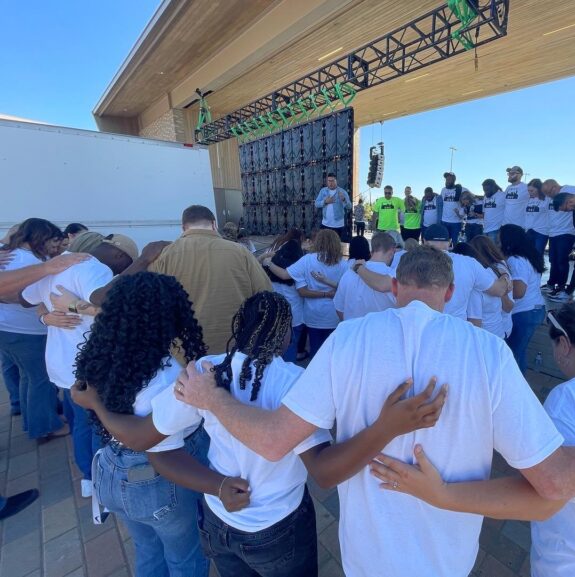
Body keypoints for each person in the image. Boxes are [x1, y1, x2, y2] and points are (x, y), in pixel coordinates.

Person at [175, 245, 575, 577]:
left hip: (367, 552)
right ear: (450, 292)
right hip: (446, 554)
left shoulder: (348, 340)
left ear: (395, 288)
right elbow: (553, 479)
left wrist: (212, 398)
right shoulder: (487, 351)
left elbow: (274, 441)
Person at [73, 291, 445, 577]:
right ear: (284, 337)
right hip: (277, 525)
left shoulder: (205, 370)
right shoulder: (296, 383)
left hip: (219, 518)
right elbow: (324, 472)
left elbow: (153, 444)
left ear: (240, 327)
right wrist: (384, 428)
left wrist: (215, 486)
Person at [73, 272, 209, 577]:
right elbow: (141, 438)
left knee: (147, 550)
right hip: (156, 481)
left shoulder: (107, 357)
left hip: (113, 471)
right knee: (185, 558)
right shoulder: (164, 377)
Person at [21, 230, 140, 497]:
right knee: (98, 423)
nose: (123, 270)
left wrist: (45, 316)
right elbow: (114, 310)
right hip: (89, 364)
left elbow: (26, 298)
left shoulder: (58, 263)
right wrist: (72, 306)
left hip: (62, 364)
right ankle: (101, 479)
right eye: (126, 263)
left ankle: (88, 477)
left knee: (80, 423)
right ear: (117, 255)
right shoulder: (93, 269)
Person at [146, 205, 272, 355]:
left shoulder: (164, 256)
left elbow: (152, 304)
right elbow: (266, 295)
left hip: (184, 352)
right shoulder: (240, 252)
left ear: (183, 227)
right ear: (214, 224)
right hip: (235, 348)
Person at [0, 218, 68, 440]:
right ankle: (46, 427)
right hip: (26, 331)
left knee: (28, 377)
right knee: (41, 379)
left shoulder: (10, 255)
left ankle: (33, 422)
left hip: (8, 330)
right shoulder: (29, 262)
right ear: (41, 238)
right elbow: (22, 296)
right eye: (53, 241)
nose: (55, 247)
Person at [265, 229, 345, 357]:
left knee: (316, 353)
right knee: (333, 353)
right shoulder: (343, 264)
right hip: (334, 315)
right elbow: (347, 288)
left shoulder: (307, 260)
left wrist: (269, 264)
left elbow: (285, 275)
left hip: (313, 315)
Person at [498, 224, 547, 373]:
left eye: (499, 239)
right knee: (520, 351)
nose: (497, 242)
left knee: (513, 355)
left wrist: (496, 290)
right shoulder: (527, 256)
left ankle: (515, 390)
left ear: (508, 241)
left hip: (525, 313)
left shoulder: (516, 260)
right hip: (533, 310)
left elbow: (519, 292)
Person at [258, 238, 305, 363]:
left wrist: (266, 256)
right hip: (296, 316)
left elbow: (255, 264)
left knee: (274, 349)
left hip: (275, 315)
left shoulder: (269, 270)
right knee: (291, 346)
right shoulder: (298, 271)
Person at [335, 233, 396, 321]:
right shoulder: (394, 277)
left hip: (353, 332)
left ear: (372, 250)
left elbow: (339, 309)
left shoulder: (349, 273)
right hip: (383, 333)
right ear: (392, 251)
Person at [467, 236, 514, 338]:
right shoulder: (502, 270)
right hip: (501, 331)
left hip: (485, 336)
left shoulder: (477, 282)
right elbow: (508, 308)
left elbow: (475, 323)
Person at [541, 179, 575, 297]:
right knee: (553, 260)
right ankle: (551, 283)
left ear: (554, 188)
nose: (548, 196)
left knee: (561, 261)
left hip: (566, 232)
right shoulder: (550, 197)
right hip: (553, 233)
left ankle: (561, 287)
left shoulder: (570, 189)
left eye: (548, 193)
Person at [314, 172, 351, 238]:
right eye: (329, 181)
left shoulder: (342, 192)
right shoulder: (323, 191)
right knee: (324, 245)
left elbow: (349, 207)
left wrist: (344, 200)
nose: (330, 183)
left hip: (338, 226)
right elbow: (316, 203)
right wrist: (325, 201)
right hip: (325, 224)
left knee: (337, 247)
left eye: (332, 181)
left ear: (336, 181)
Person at [440, 172, 468, 246]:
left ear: (454, 180)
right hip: (444, 221)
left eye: (449, 179)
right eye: (446, 179)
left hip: (456, 222)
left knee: (457, 244)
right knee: (444, 244)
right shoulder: (443, 190)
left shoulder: (462, 189)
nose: (447, 181)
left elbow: (471, 197)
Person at [524, 178, 549, 256]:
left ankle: (539, 268)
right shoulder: (528, 200)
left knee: (538, 255)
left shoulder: (547, 199)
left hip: (541, 232)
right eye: (528, 191)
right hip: (528, 231)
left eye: (532, 191)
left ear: (539, 189)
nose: (530, 193)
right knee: (528, 255)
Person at [481, 178, 506, 243]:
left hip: (496, 230)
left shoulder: (503, 195)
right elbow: (484, 213)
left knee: (494, 251)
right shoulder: (485, 197)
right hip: (485, 229)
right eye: (484, 190)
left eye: (487, 190)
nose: (485, 192)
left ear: (493, 187)